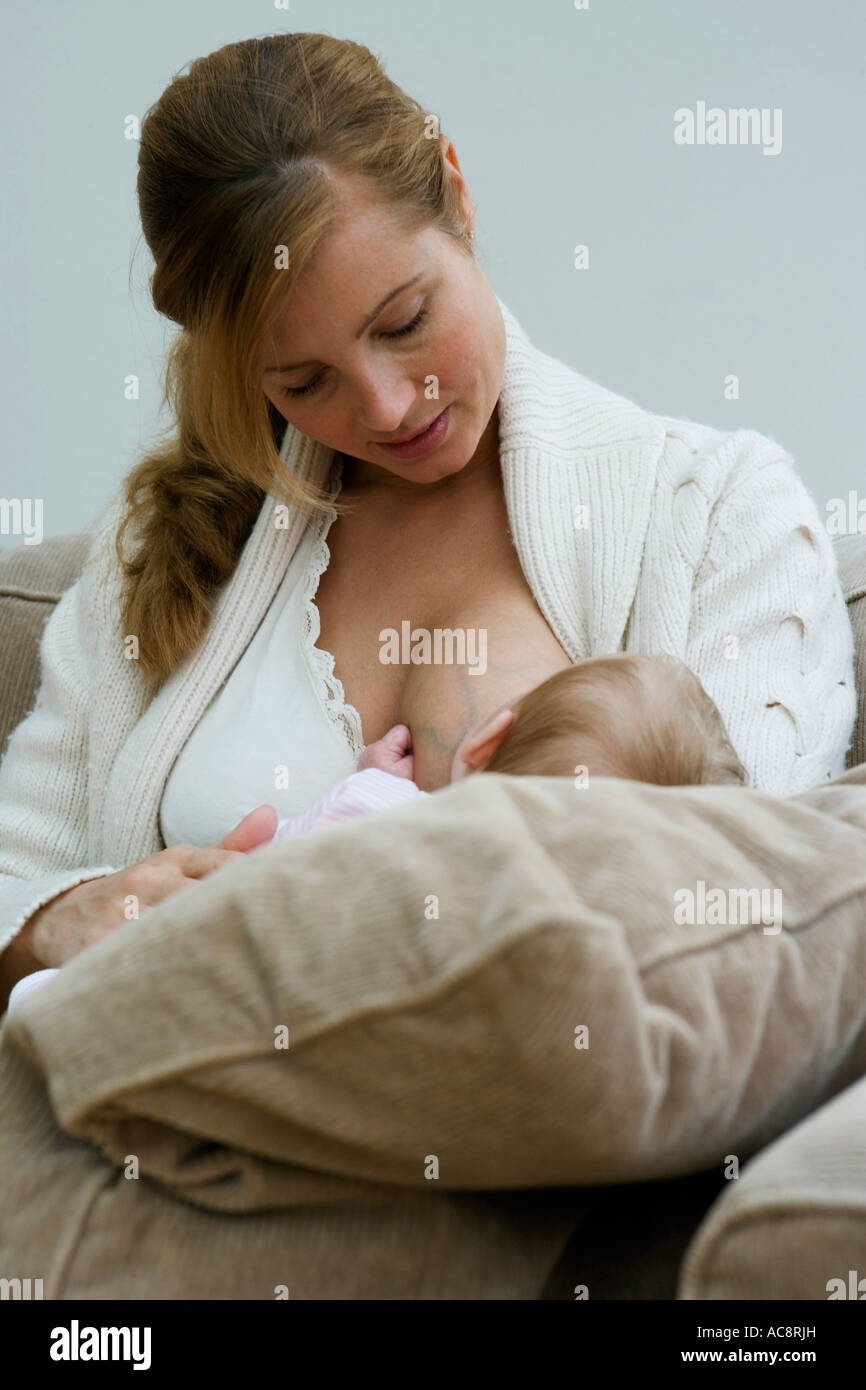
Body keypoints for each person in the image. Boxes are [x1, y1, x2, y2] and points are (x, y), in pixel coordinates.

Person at [0, 32, 856, 1015]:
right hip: (180, 1109)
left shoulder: (719, 514)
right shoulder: (159, 543)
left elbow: (766, 925)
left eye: (403, 321)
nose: (387, 408)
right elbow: (20, 878)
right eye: (303, 381)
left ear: (453, 189)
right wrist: (65, 917)